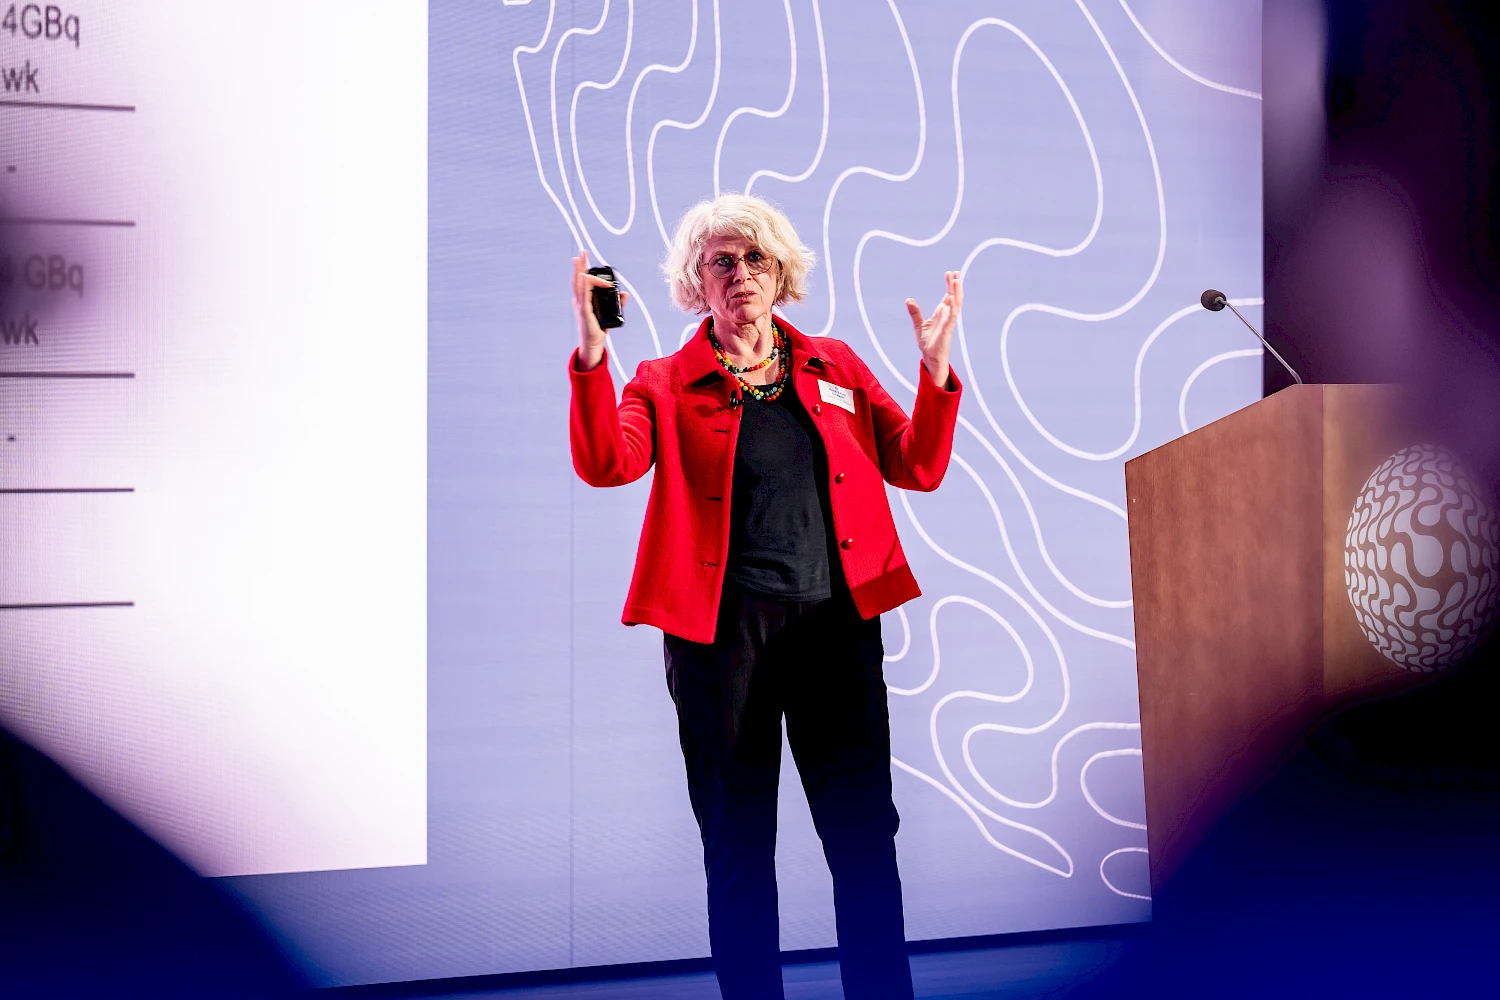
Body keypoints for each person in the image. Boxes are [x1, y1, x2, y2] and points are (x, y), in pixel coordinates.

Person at [567, 193, 963, 1000]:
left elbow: (917, 466)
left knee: (863, 840)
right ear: (696, 281)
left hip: (835, 633)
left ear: (781, 273)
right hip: (722, 644)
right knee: (739, 846)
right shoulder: (663, 381)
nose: (741, 273)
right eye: (722, 261)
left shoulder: (835, 365)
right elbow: (609, 463)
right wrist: (593, 354)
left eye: (756, 258)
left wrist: (934, 375)